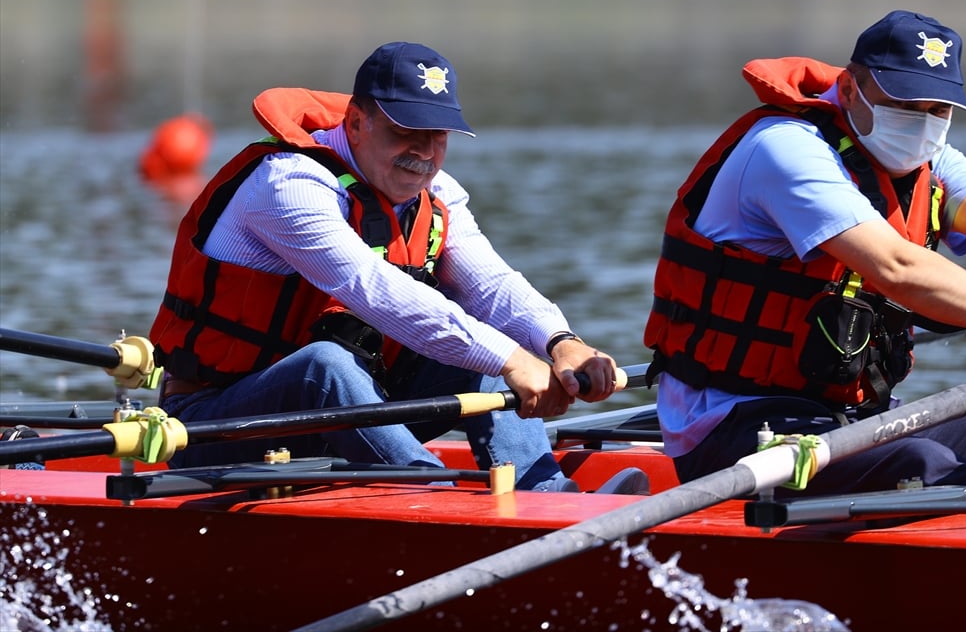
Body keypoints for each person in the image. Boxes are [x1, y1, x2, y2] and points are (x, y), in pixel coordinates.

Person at [644, 10, 966, 515]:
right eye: (904, 104)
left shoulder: (920, 155)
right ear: (852, 87)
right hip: (736, 429)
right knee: (927, 469)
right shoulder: (785, 149)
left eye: (937, 111)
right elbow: (898, 266)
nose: (921, 124)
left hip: (849, 417)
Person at [151, 41, 643, 494]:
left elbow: (491, 284)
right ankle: (434, 501)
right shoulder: (287, 186)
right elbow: (375, 291)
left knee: (490, 355)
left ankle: (551, 500)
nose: (425, 153)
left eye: (439, 136)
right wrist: (514, 361)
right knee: (329, 364)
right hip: (214, 426)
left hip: (348, 413)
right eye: (405, 131)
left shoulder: (437, 194)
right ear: (358, 122)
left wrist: (562, 343)